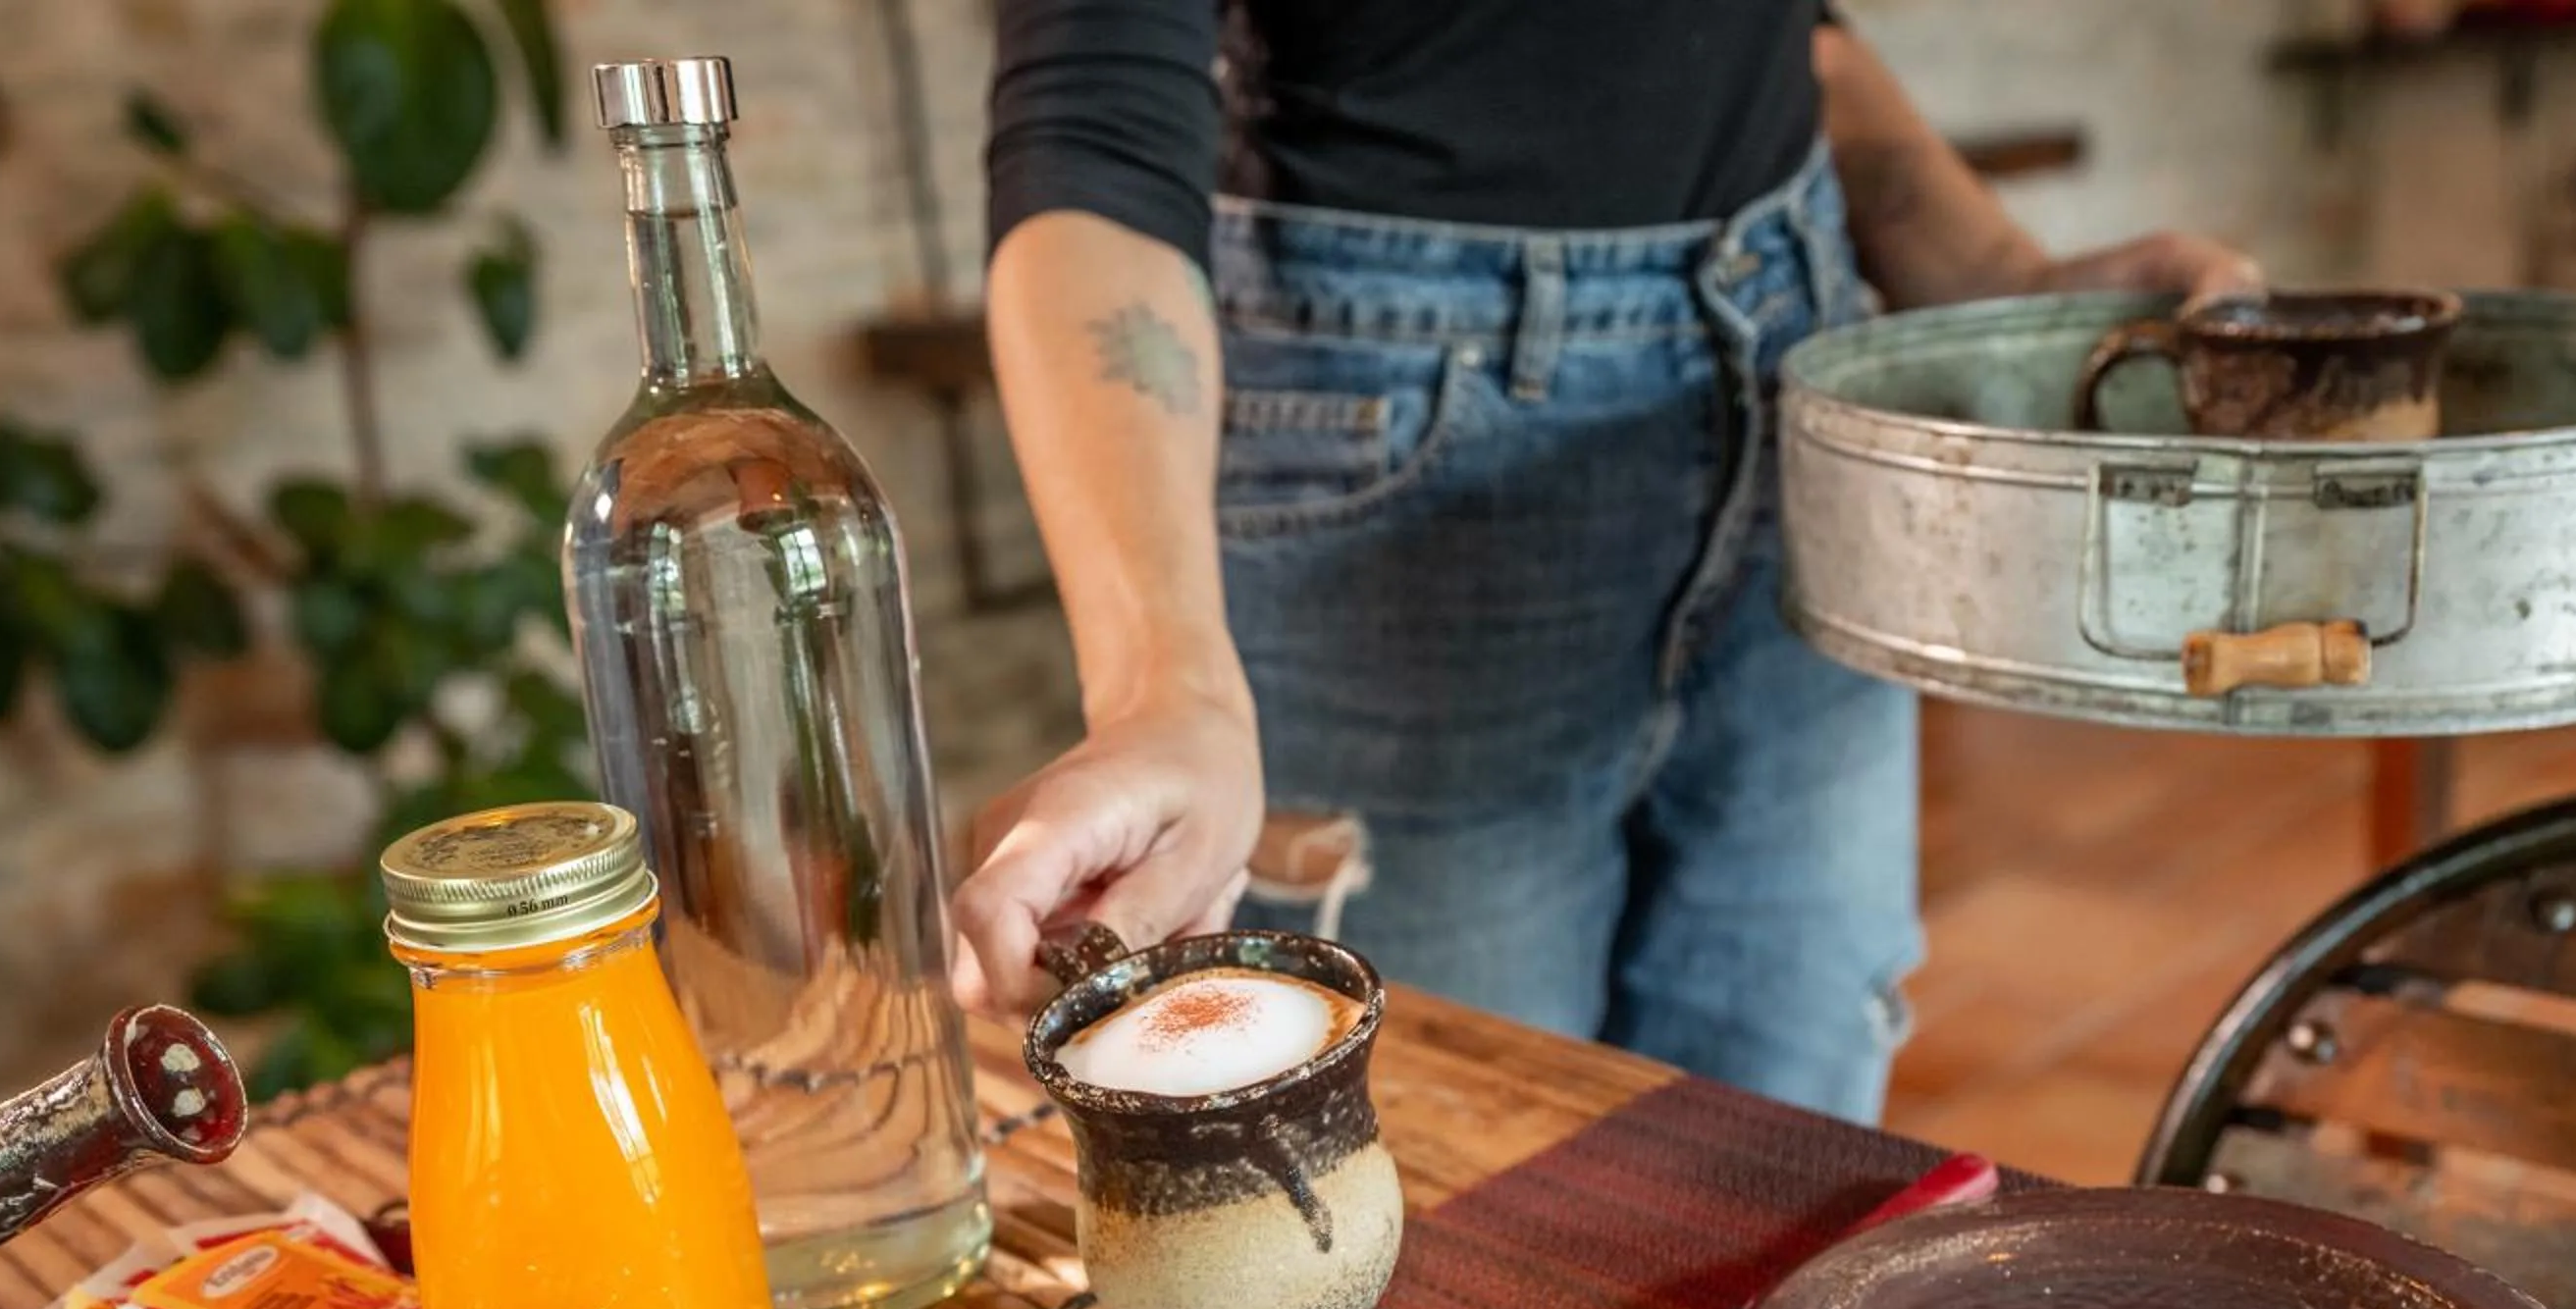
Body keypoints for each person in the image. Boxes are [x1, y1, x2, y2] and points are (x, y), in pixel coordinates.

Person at [950, 2, 2256, 1120]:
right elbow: (1100, 123)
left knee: (1792, 1122)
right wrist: (1165, 685)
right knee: (1462, 1160)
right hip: (1400, 448)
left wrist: (1996, 271)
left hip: (1792, 374)